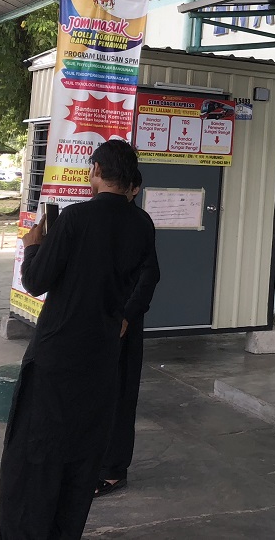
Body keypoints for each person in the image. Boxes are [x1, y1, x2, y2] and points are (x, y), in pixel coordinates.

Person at [0, 140, 156, 540]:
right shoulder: (142, 224)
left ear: (98, 171)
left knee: (35, 457)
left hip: (57, 357)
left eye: (91, 170)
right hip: (102, 357)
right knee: (82, 458)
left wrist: (33, 247)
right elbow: (144, 278)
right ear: (131, 181)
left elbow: (36, 281)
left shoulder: (74, 219)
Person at [95, 168, 159, 498]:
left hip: (124, 325)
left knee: (120, 395)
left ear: (134, 190)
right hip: (95, 322)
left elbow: (149, 277)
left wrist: (127, 317)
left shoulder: (140, 223)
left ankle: (113, 470)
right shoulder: (94, 218)